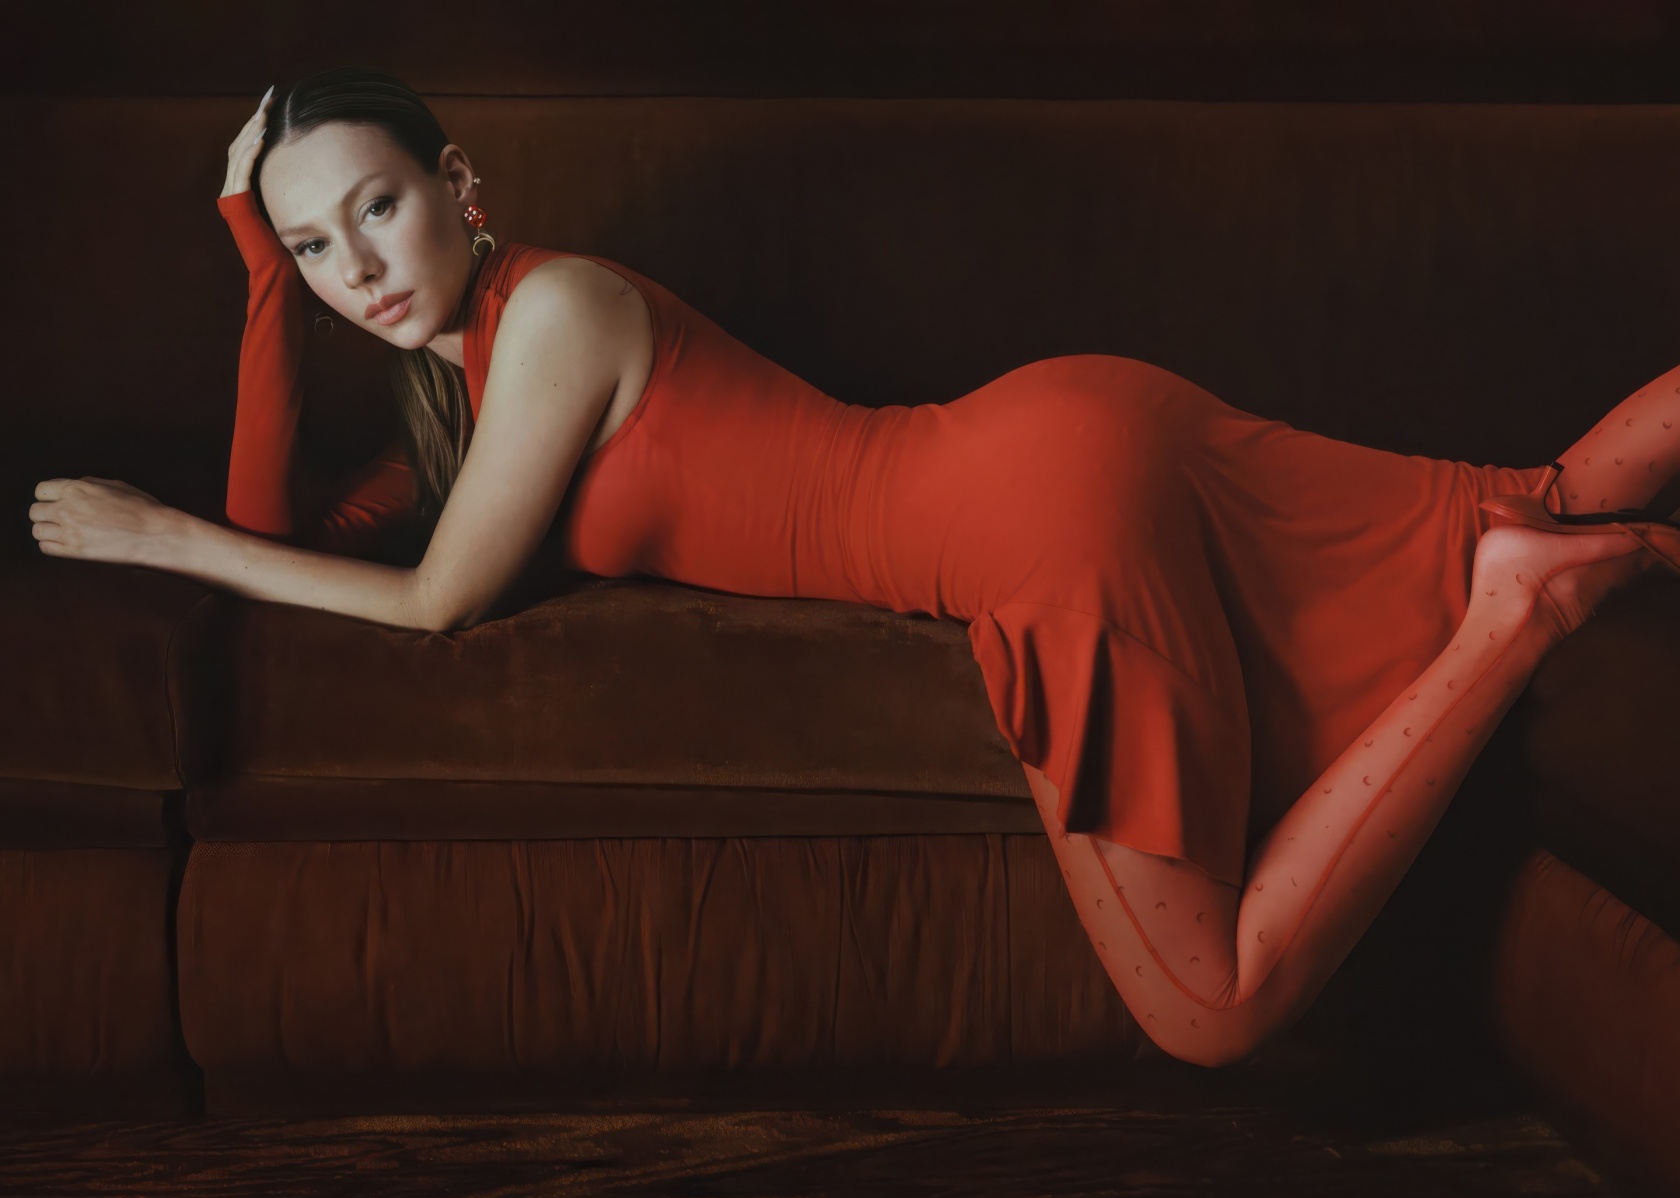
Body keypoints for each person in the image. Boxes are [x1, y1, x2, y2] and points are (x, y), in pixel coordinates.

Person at [29, 68, 1680, 1068]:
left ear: (459, 185)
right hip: (1071, 426)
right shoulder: (467, 389)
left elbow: (432, 600)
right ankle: (1522, 577)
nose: (358, 267)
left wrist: (156, 535)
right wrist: (256, 268)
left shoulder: (561, 313)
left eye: (376, 209)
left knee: (1213, 1005)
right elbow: (286, 541)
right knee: (1537, 490)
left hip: (1038, 513)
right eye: (316, 245)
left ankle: (1514, 619)